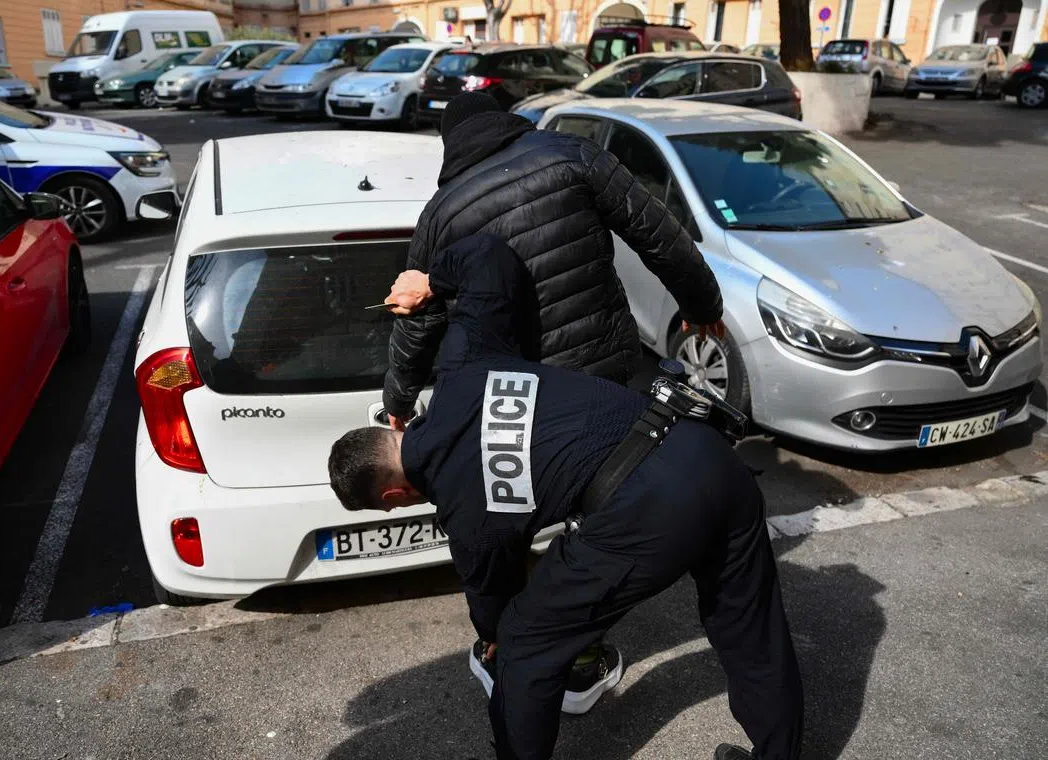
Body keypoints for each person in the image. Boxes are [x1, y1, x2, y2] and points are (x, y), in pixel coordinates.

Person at [330, 234, 804, 760]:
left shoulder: (467, 516)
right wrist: (430, 281)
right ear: (392, 432)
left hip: (647, 510)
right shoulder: (463, 370)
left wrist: (493, 636)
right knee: (751, 626)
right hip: (707, 450)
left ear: (394, 495)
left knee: (525, 647)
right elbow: (489, 258)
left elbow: (493, 595)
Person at [382, 91, 725, 431]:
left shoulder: (438, 216)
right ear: (503, 119)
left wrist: (399, 400)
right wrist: (702, 305)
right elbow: (656, 232)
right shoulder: (572, 153)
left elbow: (417, 315)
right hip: (603, 367)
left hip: (520, 393)